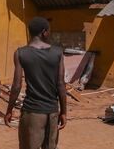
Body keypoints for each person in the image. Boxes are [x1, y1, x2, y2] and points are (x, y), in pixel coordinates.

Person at [4, 17, 67, 149]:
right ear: (44, 32)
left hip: (32, 112)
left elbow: (16, 86)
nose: (49, 33)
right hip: (52, 112)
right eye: (49, 31)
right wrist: (63, 112)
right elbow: (61, 84)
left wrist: (9, 110)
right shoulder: (58, 53)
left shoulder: (21, 53)